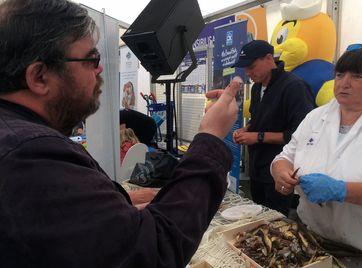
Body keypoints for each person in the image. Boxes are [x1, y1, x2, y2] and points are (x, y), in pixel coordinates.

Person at [0, 0, 240, 267]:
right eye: (91, 59)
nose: (100, 69)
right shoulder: (29, 156)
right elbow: (154, 251)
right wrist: (210, 137)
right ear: (40, 77)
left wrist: (118, 212)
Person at [271, 42, 362, 267]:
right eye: (340, 74)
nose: (344, 83)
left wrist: (342, 190)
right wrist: (281, 172)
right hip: (314, 238)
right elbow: (286, 155)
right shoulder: (317, 116)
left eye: (357, 76)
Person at [232, 40, 314, 215]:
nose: (248, 72)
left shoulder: (294, 87)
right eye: (245, 68)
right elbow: (259, 119)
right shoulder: (256, 88)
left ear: (269, 59)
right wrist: (247, 129)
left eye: (252, 66)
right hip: (257, 168)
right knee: (257, 218)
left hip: (279, 173)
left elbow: (301, 136)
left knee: (276, 222)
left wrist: (258, 137)